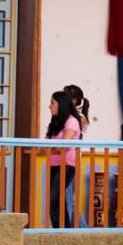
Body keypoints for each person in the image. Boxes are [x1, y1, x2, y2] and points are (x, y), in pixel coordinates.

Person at [46, 91, 81, 228]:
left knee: (54, 201)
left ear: (61, 104)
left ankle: (62, 233)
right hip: (54, 165)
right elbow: (49, 145)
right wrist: (52, 148)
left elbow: (64, 145)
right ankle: (63, 232)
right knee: (56, 201)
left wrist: (49, 148)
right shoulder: (56, 122)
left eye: (52, 103)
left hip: (66, 165)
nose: (50, 106)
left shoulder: (72, 121)